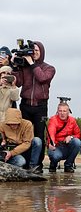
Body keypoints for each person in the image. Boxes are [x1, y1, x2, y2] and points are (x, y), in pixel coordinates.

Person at [12, 41, 56, 170]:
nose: (34, 53)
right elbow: (19, 83)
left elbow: (42, 78)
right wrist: (15, 67)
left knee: (38, 136)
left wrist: (32, 64)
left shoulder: (49, 68)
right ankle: (25, 163)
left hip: (40, 106)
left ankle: (38, 164)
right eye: (32, 50)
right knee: (25, 136)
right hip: (25, 104)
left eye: (37, 50)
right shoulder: (25, 67)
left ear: (41, 52)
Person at [46, 102, 81, 173]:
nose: (62, 113)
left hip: (67, 146)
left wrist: (71, 137)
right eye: (60, 111)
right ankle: (53, 164)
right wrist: (51, 143)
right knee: (55, 156)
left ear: (68, 112)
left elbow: (79, 135)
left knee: (77, 142)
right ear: (57, 112)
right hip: (56, 146)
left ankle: (68, 165)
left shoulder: (72, 120)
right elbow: (51, 132)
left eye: (64, 111)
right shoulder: (53, 120)